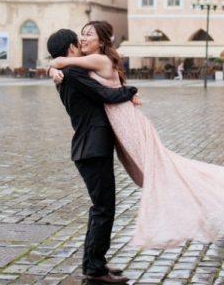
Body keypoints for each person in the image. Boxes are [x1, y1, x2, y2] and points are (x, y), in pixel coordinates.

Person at [50, 21, 224, 248]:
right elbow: (84, 79)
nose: (83, 39)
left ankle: (200, 208)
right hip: (122, 127)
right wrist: (54, 69)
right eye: (81, 36)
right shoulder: (83, 67)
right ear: (72, 46)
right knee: (162, 173)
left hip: (129, 126)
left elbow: (65, 63)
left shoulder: (97, 60)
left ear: (102, 41)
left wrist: (55, 65)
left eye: (88, 35)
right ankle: (194, 206)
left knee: (162, 173)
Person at [46, 28, 139, 284]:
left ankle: (94, 263)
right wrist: (131, 91)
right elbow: (106, 95)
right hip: (92, 148)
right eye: (78, 43)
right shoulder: (73, 73)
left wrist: (51, 67)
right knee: (103, 209)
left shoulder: (66, 71)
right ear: (71, 49)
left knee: (100, 208)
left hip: (90, 148)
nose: (81, 45)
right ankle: (96, 270)